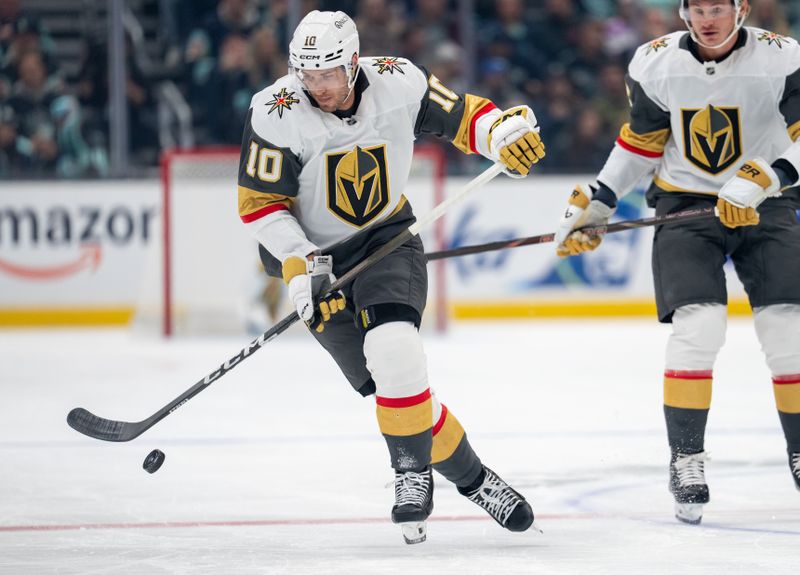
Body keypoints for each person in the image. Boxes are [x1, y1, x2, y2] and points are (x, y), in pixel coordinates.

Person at [236, 10, 545, 543]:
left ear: (353, 63)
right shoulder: (275, 110)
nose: (318, 87)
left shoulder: (398, 80)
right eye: (307, 76)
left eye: (329, 74)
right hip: (314, 261)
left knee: (396, 350)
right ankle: (476, 481)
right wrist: (298, 265)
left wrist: (502, 135)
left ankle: (410, 476)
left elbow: (467, 116)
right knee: (394, 389)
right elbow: (261, 204)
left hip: (386, 239)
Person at [553, 0, 800, 525]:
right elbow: (643, 142)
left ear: (742, 9)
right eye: (697, 8)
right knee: (700, 327)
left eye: (718, 7)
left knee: (788, 331)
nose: (708, 18)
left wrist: (768, 177)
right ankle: (686, 459)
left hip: (767, 203)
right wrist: (600, 199)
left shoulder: (783, 57)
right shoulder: (654, 61)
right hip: (685, 204)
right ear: (683, 12)